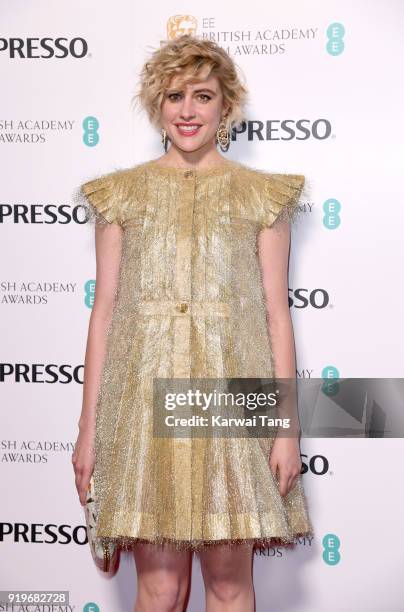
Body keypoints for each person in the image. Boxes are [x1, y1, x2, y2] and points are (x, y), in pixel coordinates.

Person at [72, 34, 313, 612]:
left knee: (230, 587)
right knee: (159, 589)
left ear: (225, 106)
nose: (187, 110)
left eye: (202, 96)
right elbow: (103, 313)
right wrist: (87, 430)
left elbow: (277, 316)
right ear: (158, 105)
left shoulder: (263, 197)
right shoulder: (120, 195)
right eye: (175, 95)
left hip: (232, 402)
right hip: (141, 407)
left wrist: (287, 427)